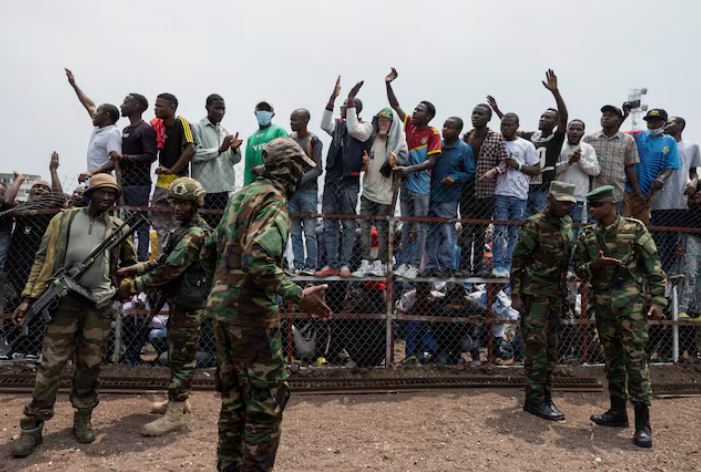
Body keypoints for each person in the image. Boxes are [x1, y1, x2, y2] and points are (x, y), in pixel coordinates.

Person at [201, 137, 332, 471]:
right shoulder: (273, 202)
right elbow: (257, 258)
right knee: (264, 402)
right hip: (251, 319)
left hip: (222, 313)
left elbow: (210, 248)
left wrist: (222, 287)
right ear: (288, 168)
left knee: (233, 400)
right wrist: (298, 294)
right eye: (299, 169)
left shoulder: (240, 196)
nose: (300, 176)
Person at [9, 174, 137, 458]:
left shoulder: (117, 227)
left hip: (98, 304)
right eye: (101, 193)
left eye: (111, 195)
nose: (106, 199)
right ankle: (33, 426)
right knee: (51, 365)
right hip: (64, 302)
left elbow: (130, 263)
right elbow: (42, 258)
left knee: (90, 364)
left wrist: (124, 286)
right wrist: (29, 298)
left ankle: (83, 416)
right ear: (89, 194)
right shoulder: (63, 220)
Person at [116, 177, 211, 436]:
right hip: (180, 302)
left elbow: (169, 269)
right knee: (177, 353)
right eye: (175, 202)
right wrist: (134, 268)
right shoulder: (180, 230)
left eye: (184, 203)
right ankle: (179, 401)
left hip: (190, 306)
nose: (177, 207)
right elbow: (160, 262)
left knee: (182, 357)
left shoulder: (194, 235)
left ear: (196, 204)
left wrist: (133, 286)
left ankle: (176, 415)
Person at [574, 185, 667, 448]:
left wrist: (658, 301)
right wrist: (595, 266)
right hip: (603, 307)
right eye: (590, 206)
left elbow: (653, 266)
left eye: (596, 206)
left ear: (610, 205)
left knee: (635, 361)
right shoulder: (588, 237)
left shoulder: (635, 229)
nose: (591, 210)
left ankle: (643, 424)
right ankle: (617, 412)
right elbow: (578, 269)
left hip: (631, 307)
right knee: (612, 359)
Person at [511, 181, 575, 421]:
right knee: (536, 346)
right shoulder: (534, 224)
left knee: (552, 347)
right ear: (550, 199)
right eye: (563, 202)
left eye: (570, 203)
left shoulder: (567, 223)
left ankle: (546, 395)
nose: (567, 207)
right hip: (535, 294)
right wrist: (516, 294)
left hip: (556, 295)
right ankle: (534, 399)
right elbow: (518, 261)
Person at [78, 90, 156, 261]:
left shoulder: (145, 129)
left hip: (139, 183)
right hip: (123, 183)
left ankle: (141, 259)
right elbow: (115, 160)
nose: (122, 105)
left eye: (126, 102)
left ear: (136, 107)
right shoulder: (126, 130)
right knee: (122, 222)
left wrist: (125, 158)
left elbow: (150, 156)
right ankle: (124, 257)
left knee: (140, 222)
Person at [385, 68, 441, 279]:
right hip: (407, 184)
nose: (414, 112)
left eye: (419, 110)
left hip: (421, 186)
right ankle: (404, 262)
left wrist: (409, 169)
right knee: (407, 224)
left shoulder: (433, 133)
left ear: (428, 116)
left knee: (419, 226)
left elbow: (432, 161)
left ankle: (415, 264)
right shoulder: (409, 125)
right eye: (415, 109)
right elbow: (395, 105)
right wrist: (388, 83)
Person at [488, 69, 569, 215]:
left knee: (539, 222)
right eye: (542, 116)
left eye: (548, 117)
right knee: (522, 223)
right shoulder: (531, 137)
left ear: (556, 122)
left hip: (543, 191)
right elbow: (510, 127)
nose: (543, 119)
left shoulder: (556, 138)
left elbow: (564, 117)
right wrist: (497, 110)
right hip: (525, 187)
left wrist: (555, 92)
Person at [316, 77, 373, 277]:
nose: (342, 109)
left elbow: (354, 129)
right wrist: (332, 98)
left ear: (353, 109)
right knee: (329, 222)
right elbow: (324, 124)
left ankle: (344, 264)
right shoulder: (339, 126)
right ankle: (331, 263)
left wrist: (350, 98)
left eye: (346, 106)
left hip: (349, 181)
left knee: (348, 224)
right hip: (332, 180)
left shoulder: (365, 127)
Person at [352, 108, 407, 277]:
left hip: (386, 193)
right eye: (380, 120)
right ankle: (365, 262)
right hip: (368, 190)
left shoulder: (399, 142)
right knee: (365, 228)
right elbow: (361, 162)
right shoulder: (371, 139)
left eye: (386, 121)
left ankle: (380, 263)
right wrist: (363, 163)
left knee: (383, 229)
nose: (382, 123)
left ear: (392, 124)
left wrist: (395, 160)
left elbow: (405, 161)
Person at [487, 113, 540, 277]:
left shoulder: (526, 145)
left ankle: (509, 265)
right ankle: (498, 265)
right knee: (499, 230)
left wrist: (517, 165)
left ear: (517, 126)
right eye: (503, 125)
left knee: (514, 232)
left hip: (520, 195)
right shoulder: (496, 142)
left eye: (509, 125)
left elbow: (536, 169)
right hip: (500, 193)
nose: (505, 128)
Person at [459, 103, 509, 275]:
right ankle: (465, 267)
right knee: (466, 231)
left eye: (480, 114)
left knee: (480, 231)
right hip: (466, 190)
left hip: (486, 192)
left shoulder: (496, 137)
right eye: (474, 113)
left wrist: (493, 172)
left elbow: (505, 162)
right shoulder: (465, 136)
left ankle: (478, 268)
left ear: (488, 118)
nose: (475, 116)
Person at [423, 117, 474, 276]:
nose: (445, 129)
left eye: (450, 127)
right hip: (431, 195)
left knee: (447, 232)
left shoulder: (464, 149)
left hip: (449, 198)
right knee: (430, 232)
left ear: (458, 131)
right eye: (444, 126)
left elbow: (471, 171)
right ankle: (431, 266)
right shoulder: (438, 146)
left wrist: (455, 177)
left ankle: (446, 265)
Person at [648, 115, 699, 273]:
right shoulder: (658, 144)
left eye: (670, 122)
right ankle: (658, 275)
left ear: (681, 126)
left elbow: (693, 172)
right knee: (658, 242)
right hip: (657, 201)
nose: (666, 124)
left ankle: (674, 276)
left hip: (680, 200)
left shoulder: (691, 146)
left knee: (676, 243)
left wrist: (694, 182)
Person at [151, 93, 196, 251]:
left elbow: (190, 149)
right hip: (162, 182)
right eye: (155, 105)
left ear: (172, 107)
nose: (156, 108)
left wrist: (171, 169)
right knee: (158, 221)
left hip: (178, 181)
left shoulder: (181, 123)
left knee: (177, 222)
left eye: (159, 106)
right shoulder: (159, 126)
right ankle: (162, 255)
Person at [191, 94, 243, 228]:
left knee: (220, 228)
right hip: (205, 190)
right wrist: (219, 149)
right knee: (204, 227)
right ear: (207, 108)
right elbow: (194, 155)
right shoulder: (197, 128)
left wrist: (234, 149)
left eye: (223, 109)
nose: (221, 112)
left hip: (223, 189)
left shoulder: (224, 131)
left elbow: (234, 160)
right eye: (217, 108)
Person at [624, 108, 680, 226]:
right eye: (649, 121)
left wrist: (661, 178)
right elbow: (617, 133)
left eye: (656, 121)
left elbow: (670, 166)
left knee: (641, 228)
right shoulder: (638, 135)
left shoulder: (669, 141)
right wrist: (624, 115)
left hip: (647, 193)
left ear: (664, 123)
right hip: (629, 190)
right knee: (624, 226)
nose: (652, 124)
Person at [64, 68, 122, 176]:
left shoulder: (112, 133)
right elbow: (89, 105)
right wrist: (74, 84)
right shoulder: (99, 127)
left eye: (98, 111)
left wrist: (92, 172)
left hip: (103, 180)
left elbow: (114, 161)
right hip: (91, 179)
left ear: (106, 116)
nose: (94, 114)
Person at [583, 105, 640, 212]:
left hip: (616, 193)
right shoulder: (589, 139)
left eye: (610, 115)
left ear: (618, 120)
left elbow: (630, 167)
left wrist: (637, 190)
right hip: (593, 192)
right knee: (592, 225)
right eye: (604, 115)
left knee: (613, 225)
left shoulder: (628, 140)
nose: (606, 117)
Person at [289, 108, 323, 275]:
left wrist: (299, 180)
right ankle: (298, 265)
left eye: (294, 120)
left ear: (304, 121)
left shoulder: (314, 140)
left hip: (308, 192)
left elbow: (318, 169)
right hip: (292, 193)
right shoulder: (290, 140)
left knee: (309, 232)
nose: (291, 123)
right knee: (295, 232)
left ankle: (311, 265)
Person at [555, 120, 600, 228]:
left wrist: (580, 160)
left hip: (578, 197)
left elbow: (596, 170)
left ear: (583, 132)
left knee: (575, 228)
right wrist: (569, 162)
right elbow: (552, 170)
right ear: (567, 131)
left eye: (579, 129)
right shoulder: (559, 146)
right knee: (558, 228)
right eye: (572, 129)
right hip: (560, 196)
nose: (575, 132)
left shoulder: (587, 148)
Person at [243, 101, 288, 186]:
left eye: (267, 110)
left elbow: (286, 157)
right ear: (255, 113)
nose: (263, 112)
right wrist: (246, 186)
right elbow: (248, 167)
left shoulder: (279, 131)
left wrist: (265, 168)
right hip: (256, 185)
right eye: (260, 109)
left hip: (276, 183)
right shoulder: (251, 138)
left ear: (273, 114)